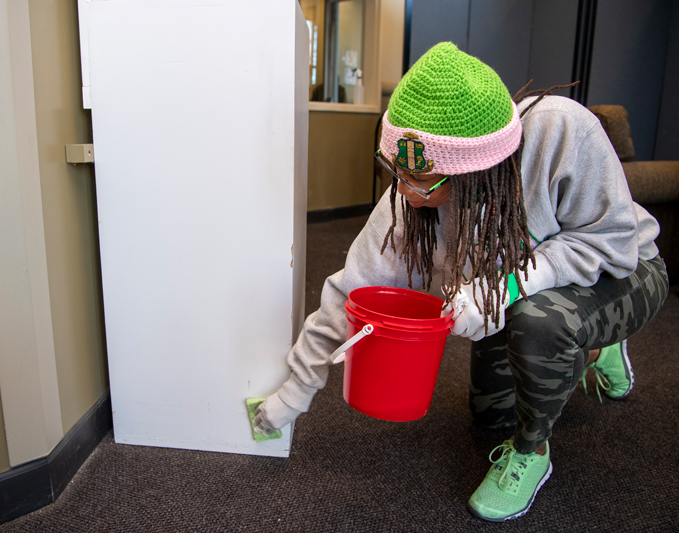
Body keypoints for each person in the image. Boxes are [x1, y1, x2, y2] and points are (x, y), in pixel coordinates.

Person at [253, 42, 669, 522]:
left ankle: (533, 454)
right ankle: (594, 350)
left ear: (477, 168)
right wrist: (295, 392)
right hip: (522, 288)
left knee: (538, 323)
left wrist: (511, 287)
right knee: (491, 416)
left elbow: (611, 243)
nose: (406, 193)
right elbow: (350, 295)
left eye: (423, 181)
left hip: (622, 271)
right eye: (398, 173)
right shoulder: (408, 198)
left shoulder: (560, 129)